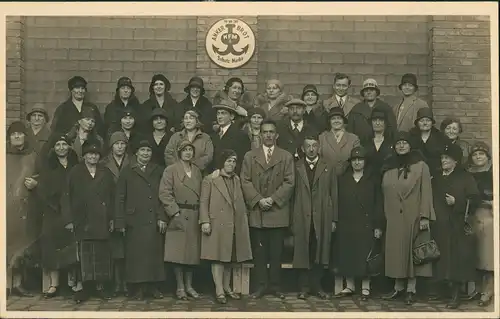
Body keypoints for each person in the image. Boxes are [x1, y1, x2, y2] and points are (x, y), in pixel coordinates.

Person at [241, 119, 295, 299]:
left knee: (276, 253)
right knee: (260, 253)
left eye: (271, 132)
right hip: (258, 211)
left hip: (277, 211)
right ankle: (261, 285)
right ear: (260, 135)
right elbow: (245, 180)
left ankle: (276, 285)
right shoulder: (250, 156)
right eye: (265, 132)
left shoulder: (286, 156)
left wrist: (273, 199)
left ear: (277, 135)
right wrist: (258, 200)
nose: (269, 135)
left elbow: (289, 182)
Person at [380, 131, 435, 305]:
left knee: (412, 254)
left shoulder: (420, 166)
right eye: (398, 143)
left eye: (404, 143)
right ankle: (398, 287)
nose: (401, 146)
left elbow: (426, 192)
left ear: (410, 145)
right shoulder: (389, 167)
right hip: (394, 217)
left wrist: (425, 216)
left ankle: (411, 289)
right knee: (397, 253)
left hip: (414, 216)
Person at [61, 139, 115, 303]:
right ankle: (83, 288)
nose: (93, 157)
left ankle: (99, 286)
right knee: (83, 256)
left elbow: (111, 198)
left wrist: (111, 218)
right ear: (84, 156)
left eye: (96, 154)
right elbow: (66, 197)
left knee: (100, 255)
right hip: (81, 220)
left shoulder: (105, 173)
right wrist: (69, 219)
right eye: (90, 154)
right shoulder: (75, 172)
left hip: (101, 220)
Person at [114, 139, 166, 300]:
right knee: (136, 255)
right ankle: (138, 288)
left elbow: (164, 195)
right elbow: (120, 198)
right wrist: (120, 221)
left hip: (152, 217)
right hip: (134, 219)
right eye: (142, 150)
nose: (145, 153)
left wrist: (162, 217)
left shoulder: (158, 170)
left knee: (153, 254)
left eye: (148, 151)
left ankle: (153, 286)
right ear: (136, 153)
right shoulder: (128, 171)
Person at [429, 143, 479, 309]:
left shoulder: (465, 178)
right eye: (442, 158)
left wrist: (457, 202)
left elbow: (474, 200)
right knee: (441, 258)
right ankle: (441, 292)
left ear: (456, 161)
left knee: (456, 260)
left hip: (457, 225)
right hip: (439, 224)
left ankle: (456, 295)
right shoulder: (436, 177)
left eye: (447, 158)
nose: (443, 161)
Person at [199, 149, 253, 304]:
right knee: (217, 257)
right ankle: (219, 289)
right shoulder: (210, 179)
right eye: (228, 160)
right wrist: (205, 221)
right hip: (217, 222)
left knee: (230, 257)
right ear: (222, 162)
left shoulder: (236, 179)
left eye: (234, 161)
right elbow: (203, 201)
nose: (231, 164)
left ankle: (227, 287)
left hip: (234, 222)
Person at [291, 135, 338, 300]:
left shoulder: (328, 166)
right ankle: (303, 287)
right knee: (303, 250)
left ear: (319, 148)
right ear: (303, 149)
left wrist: (334, 219)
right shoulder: (296, 167)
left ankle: (317, 286)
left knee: (320, 249)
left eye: (314, 146)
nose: (311, 149)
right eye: (308, 146)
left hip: (322, 214)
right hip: (302, 214)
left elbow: (334, 192)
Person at [335, 146, 385, 301]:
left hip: (366, 223)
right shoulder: (343, 179)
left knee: (365, 254)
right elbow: (337, 201)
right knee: (348, 253)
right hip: (347, 222)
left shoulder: (373, 179)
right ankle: (349, 285)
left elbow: (378, 203)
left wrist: (378, 225)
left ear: (365, 162)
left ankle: (365, 287)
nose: (357, 163)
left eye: (360, 160)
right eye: (354, 160)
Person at [159, 141, 202, 300]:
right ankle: (180, 286)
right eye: (184, 150)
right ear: (179, 152)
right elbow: (164, 193)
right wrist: (174, 212)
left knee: (192, 253)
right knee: (178, 253)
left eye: (190, 150)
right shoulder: (170, 170)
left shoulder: (197, 171)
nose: (188, 153)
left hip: (194, 214)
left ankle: (189, 285)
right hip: (178, 214)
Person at [37, 134, 79, 299]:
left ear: (69, 147)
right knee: (52, 247)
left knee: (71, 246)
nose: (61, 147)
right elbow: (43, 190)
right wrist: (55, 205)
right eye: (58, 145)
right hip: (53, 212)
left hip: (72, 211)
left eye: (64, 144)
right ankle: (54, 283)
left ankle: (72, 282)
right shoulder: (49, 167)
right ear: (54, 149)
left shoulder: (76, 166)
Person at [6, 121, 38, 298]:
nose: (17, 137)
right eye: (13, 134)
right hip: (5, 207)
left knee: (21, 244)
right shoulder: (3, 155)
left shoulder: (32, 156)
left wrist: (36, 183)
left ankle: (17, 283)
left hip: (24, 207)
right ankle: (5, 284)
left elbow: (40, 175)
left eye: (20, 133)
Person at [101, 131, 131, 297]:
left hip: (129, 207)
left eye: (122, 143)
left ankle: (126, 282)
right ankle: (114, 282)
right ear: (111, 146)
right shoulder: (104, 163)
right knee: (114, 248)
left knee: (128, 247)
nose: (120, 147)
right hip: (110, 208)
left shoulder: (132, 162)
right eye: (116, 144)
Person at [467, 141, 494, 307]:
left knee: (487, 254)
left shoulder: (493, 173)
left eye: (481, 154)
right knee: (474, 252)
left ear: (487, 156)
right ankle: (476, 289)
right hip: (472, 215)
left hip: (488, 215)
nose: (478, 157)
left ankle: (488, 290)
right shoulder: (468, 173)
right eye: (475, 154)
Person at [347, 78, 397, 144]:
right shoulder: (356, 109)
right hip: (360, 145)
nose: (369, 92)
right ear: (363, 93)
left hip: (381, 145)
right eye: (366, 90)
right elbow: (350, 131)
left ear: (376, 92)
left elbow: (392, 128)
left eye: (372, 90)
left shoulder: (385, 108)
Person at [164, 109, 214, 174]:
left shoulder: (205, 138)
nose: (188, 121)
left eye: (191, 118)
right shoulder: (175, 136)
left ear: (197, 121)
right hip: (177, 174)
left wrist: (192, 168)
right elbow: (168, 154)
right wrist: (180, 168)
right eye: (186, 118)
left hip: (199, 174)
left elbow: (208, 156)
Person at [210, 100, 251, 175]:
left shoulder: (241, 136)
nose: (219, 116)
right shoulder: (214, 135)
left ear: (232, 116)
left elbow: (243, 161)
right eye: (218, 113)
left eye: (223, 113)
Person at [318, 107, 361, 176]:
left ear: (343, 121)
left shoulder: (353, 138)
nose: (336, 121)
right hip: (327, 177)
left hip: (347, 177)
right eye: (333, 119)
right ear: (329, 121)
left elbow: (358, 159)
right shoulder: (322, 137)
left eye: (339, 118)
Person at [409, 108, 447, 177]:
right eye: (421, 121)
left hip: (436, 175)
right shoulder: (410, 136)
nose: (425, 123)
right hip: (414, 174)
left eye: (428, 120)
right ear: (417, 123)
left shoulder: (440, 137)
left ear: (432, 123)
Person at [362, 107, 394, 179]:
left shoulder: (391, 142)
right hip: (369, 180)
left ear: (385, 123)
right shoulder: (365, 143)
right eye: (374, 120)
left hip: (387, 179)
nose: (377, 123)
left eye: (380, 120)